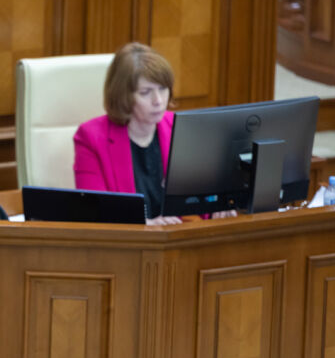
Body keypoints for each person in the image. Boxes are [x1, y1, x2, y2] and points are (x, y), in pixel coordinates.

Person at [73, 42, 233, 225]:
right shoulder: (91, 138)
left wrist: (218, 206)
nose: (158, 101)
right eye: (146, 92)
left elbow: (202, 196)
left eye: (163, 89)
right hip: (128, 247)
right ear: (123, 96)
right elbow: (94, 212)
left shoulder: (180, 127)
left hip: (176, 239)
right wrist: (145, 225)